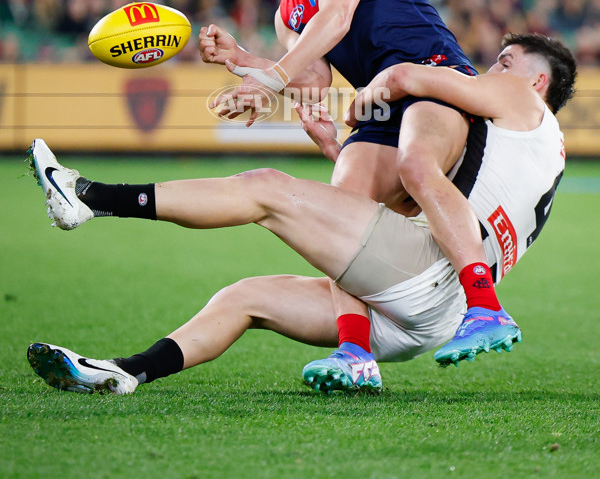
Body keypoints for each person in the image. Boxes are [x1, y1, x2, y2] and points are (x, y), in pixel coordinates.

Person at [26, 33, 576, 395]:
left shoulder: (518, 99)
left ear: (537, 83)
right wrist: (336, 147)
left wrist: (375, 90)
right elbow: (385, 211)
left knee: (266, 190)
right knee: (245, 298)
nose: (490, 69)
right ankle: (127, 372)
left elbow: (409, 77)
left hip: (427, 273)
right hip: (429, 313)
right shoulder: (540, 152)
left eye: (505, 62)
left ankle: (90, 196)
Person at [197, 0, 507, 375]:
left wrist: (270, 80)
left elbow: (338, 17)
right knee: (344, 211)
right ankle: (355, 353)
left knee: (416, 163)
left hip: (434, 79)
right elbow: (313, 78)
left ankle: (486, 310)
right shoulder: (286, 11)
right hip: (383, 105)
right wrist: (243, 61)